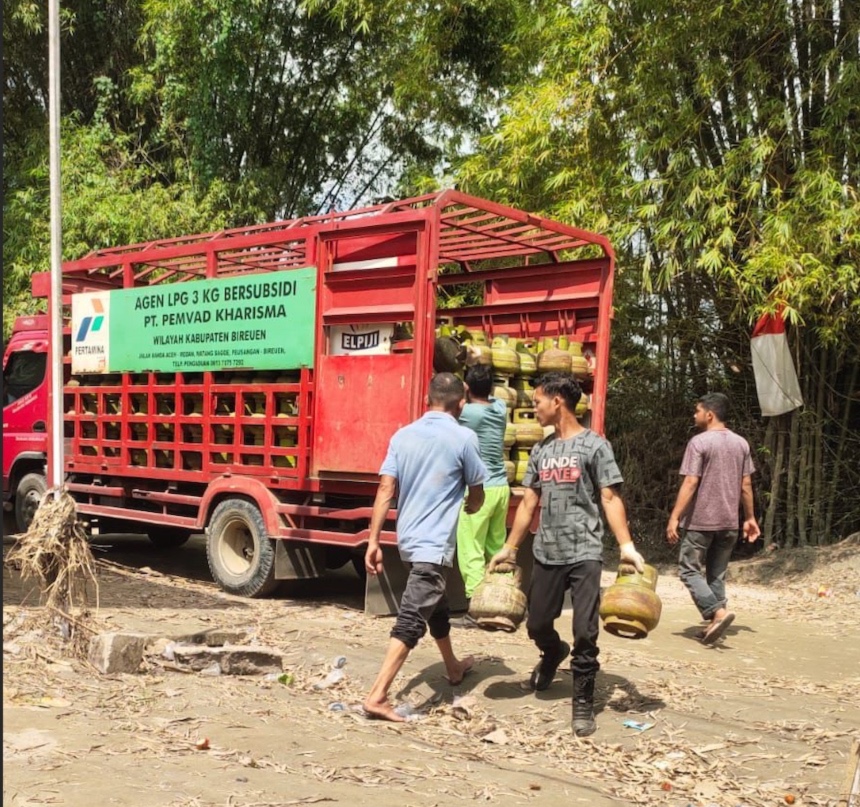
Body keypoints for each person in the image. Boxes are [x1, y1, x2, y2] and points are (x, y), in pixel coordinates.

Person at [489, 371, 646, 737]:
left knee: (585, 632)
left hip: (584, 551)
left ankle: (583, 700)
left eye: (537, 402)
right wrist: (509, 548)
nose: (534, 409)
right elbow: (529, 503)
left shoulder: (595, 446)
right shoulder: (541, 450)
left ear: (557, 401)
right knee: (537, 623)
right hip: (547, 550)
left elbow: (610, 498)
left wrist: (626, 547)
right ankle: (552, 651)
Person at [363, 372, 488, 722]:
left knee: (437, 606)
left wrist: (373, 541)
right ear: (460, 404)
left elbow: (385, 489)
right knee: (412, 620)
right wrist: (473, 505)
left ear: (426, 400)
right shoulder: (464, 437)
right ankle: (377, 695)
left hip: (408, 543)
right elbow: (477, 491)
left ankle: (453, 666)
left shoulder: (402, 436)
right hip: (433, 547)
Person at [666, 392, 760, 645]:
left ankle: (717, 612)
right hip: (729, 522)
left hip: (701, 521)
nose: (694, 415)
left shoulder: (699, 442)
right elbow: (746, 484)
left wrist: (675, 516)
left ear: (709, 414)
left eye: (697, 411)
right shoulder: (741, 443)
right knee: (716, 575)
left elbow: (691, 482)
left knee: (688, 570)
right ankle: (715, 624)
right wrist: (749, 517)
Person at [455, 365, 511, 609]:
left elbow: (449, 408)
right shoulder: (500, 408)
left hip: (479, 490)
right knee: (496, 547)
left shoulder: (468, 414)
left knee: (471, 548)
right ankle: (505, 598)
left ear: (467, 387)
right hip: (501, 488)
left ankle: (475, 603)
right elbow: (494, 398)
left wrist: (460, 391)